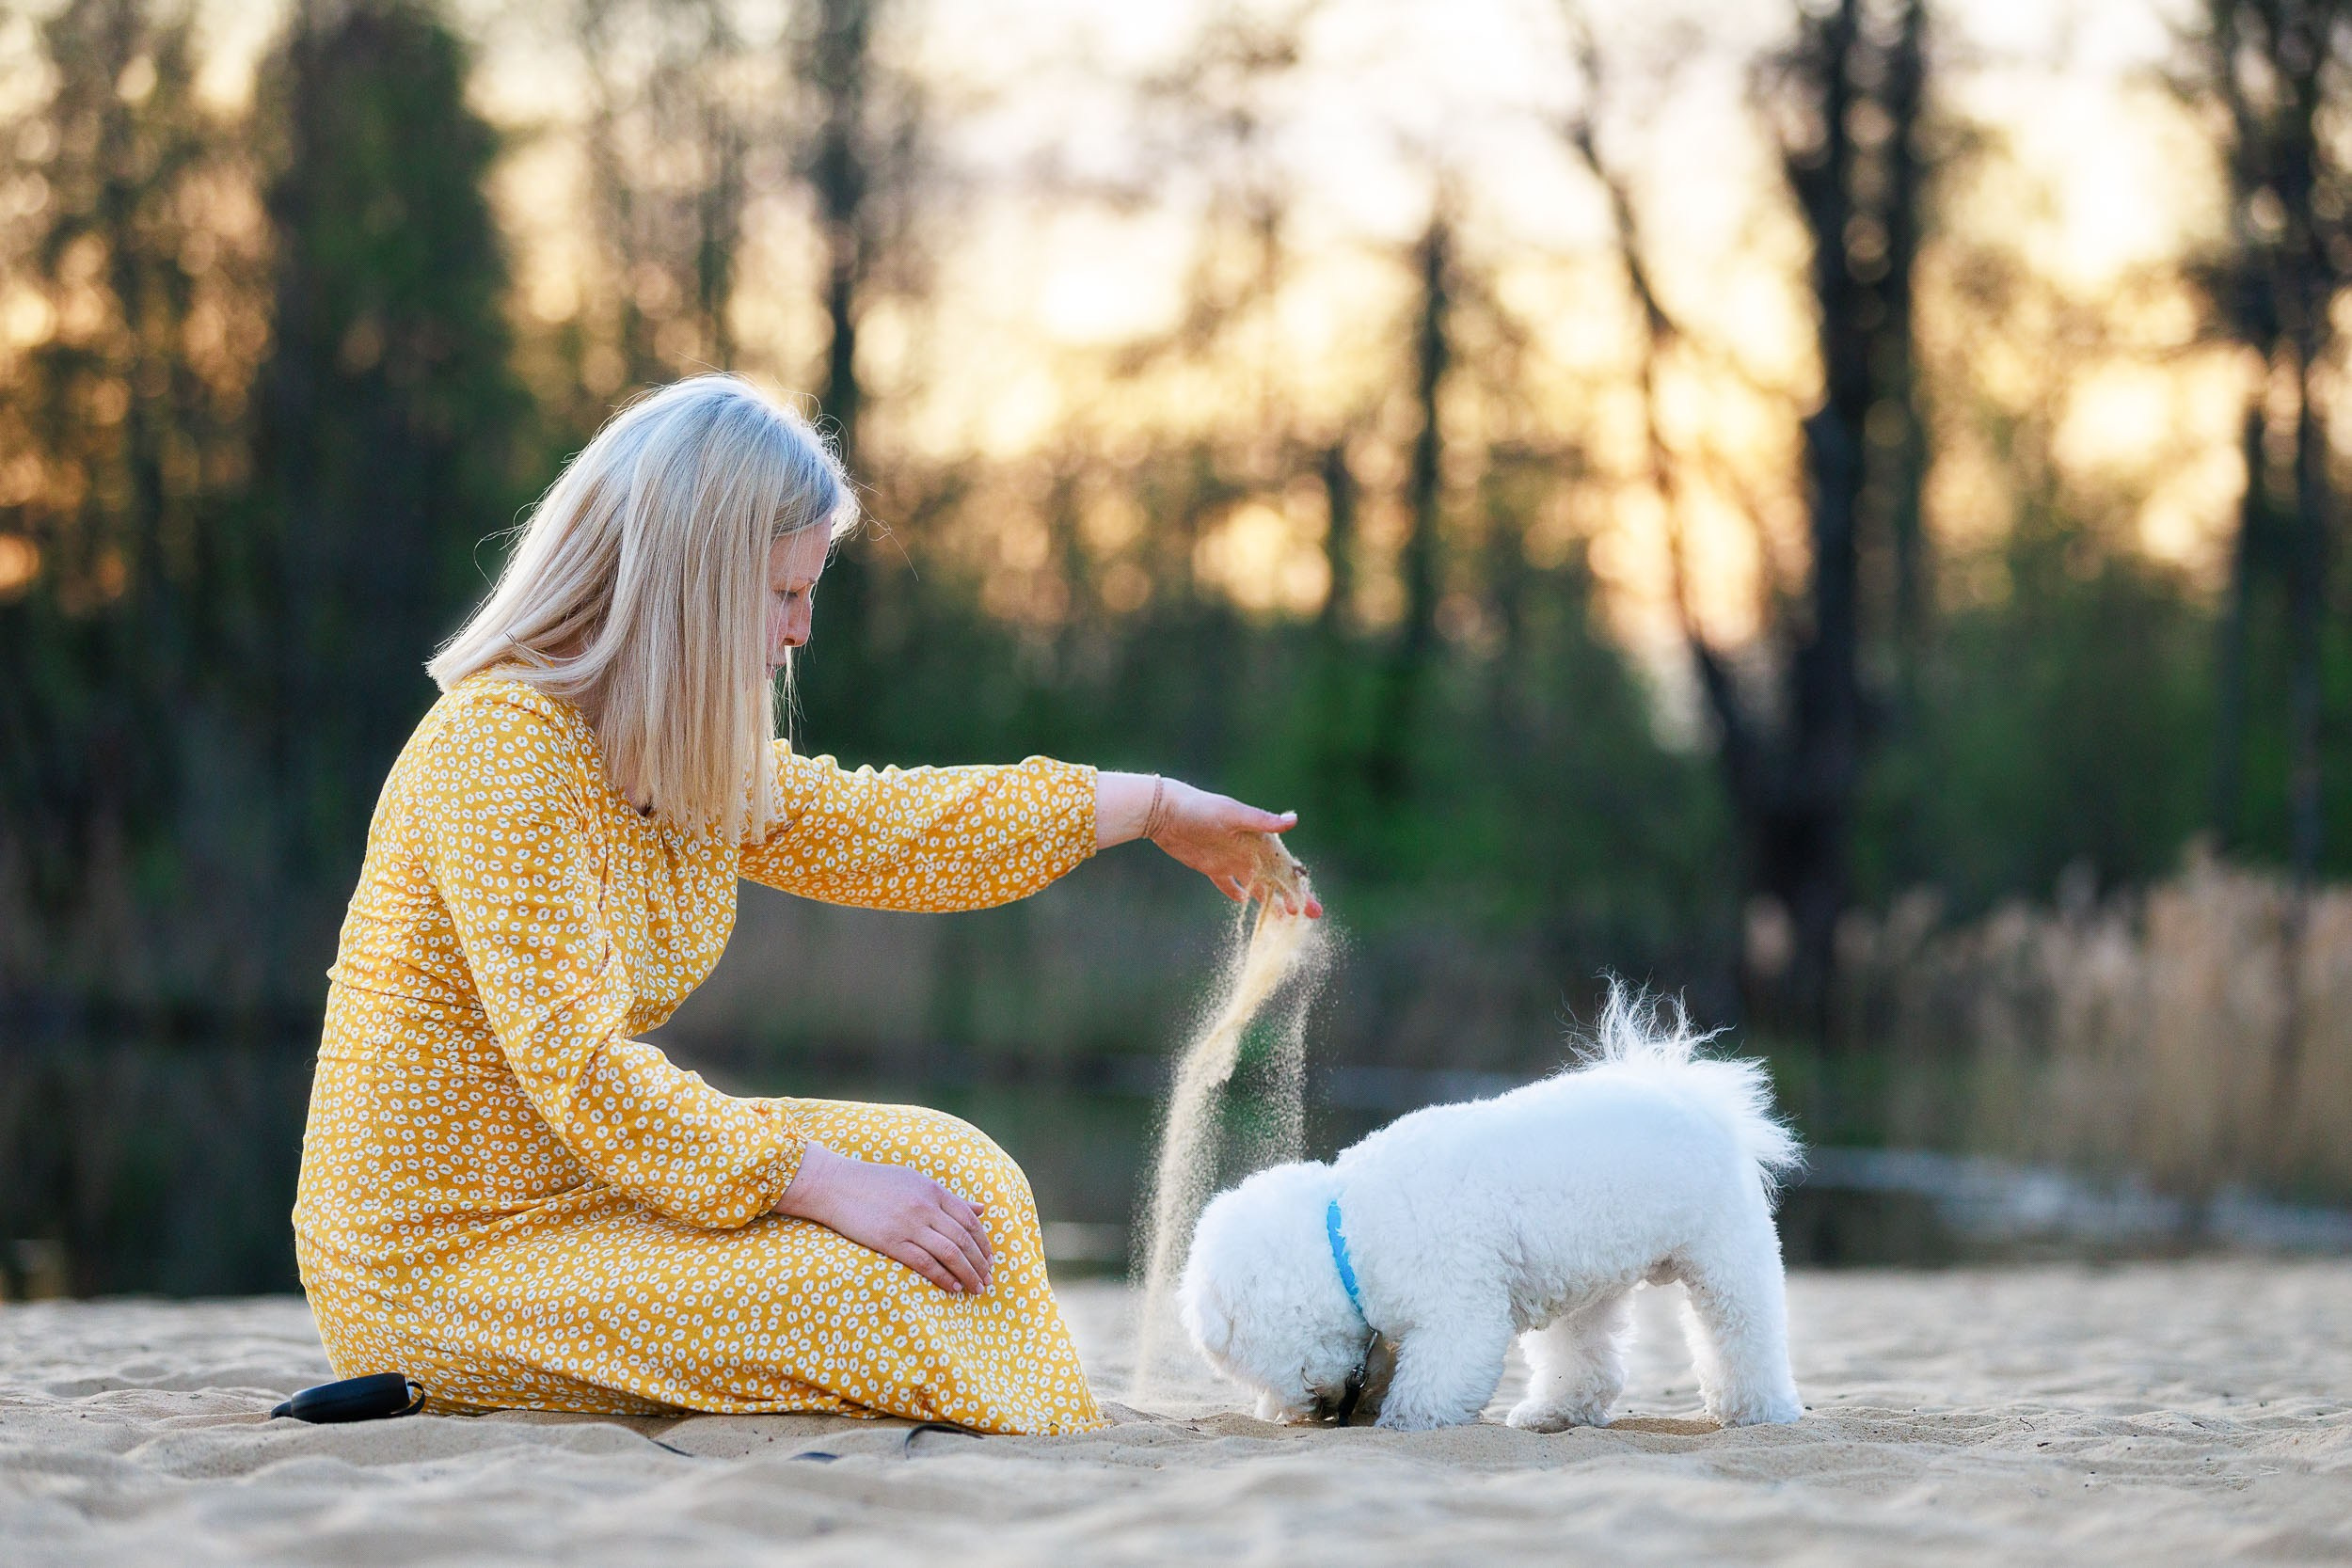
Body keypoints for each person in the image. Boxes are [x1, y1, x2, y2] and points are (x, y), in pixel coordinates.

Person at [292, 374, 1318, 1434]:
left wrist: (1151, 807)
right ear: (689, 579)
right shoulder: (498, 746)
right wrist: (817, 1180)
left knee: (967, 1178)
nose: (802, 628)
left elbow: (898, 830)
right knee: (857, 1293)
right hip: (443, 1257)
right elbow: (579, 1066)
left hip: (603, 1189)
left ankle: (1042, 1432)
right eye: (784, 593)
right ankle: (1037, 1432)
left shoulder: (673, 754)